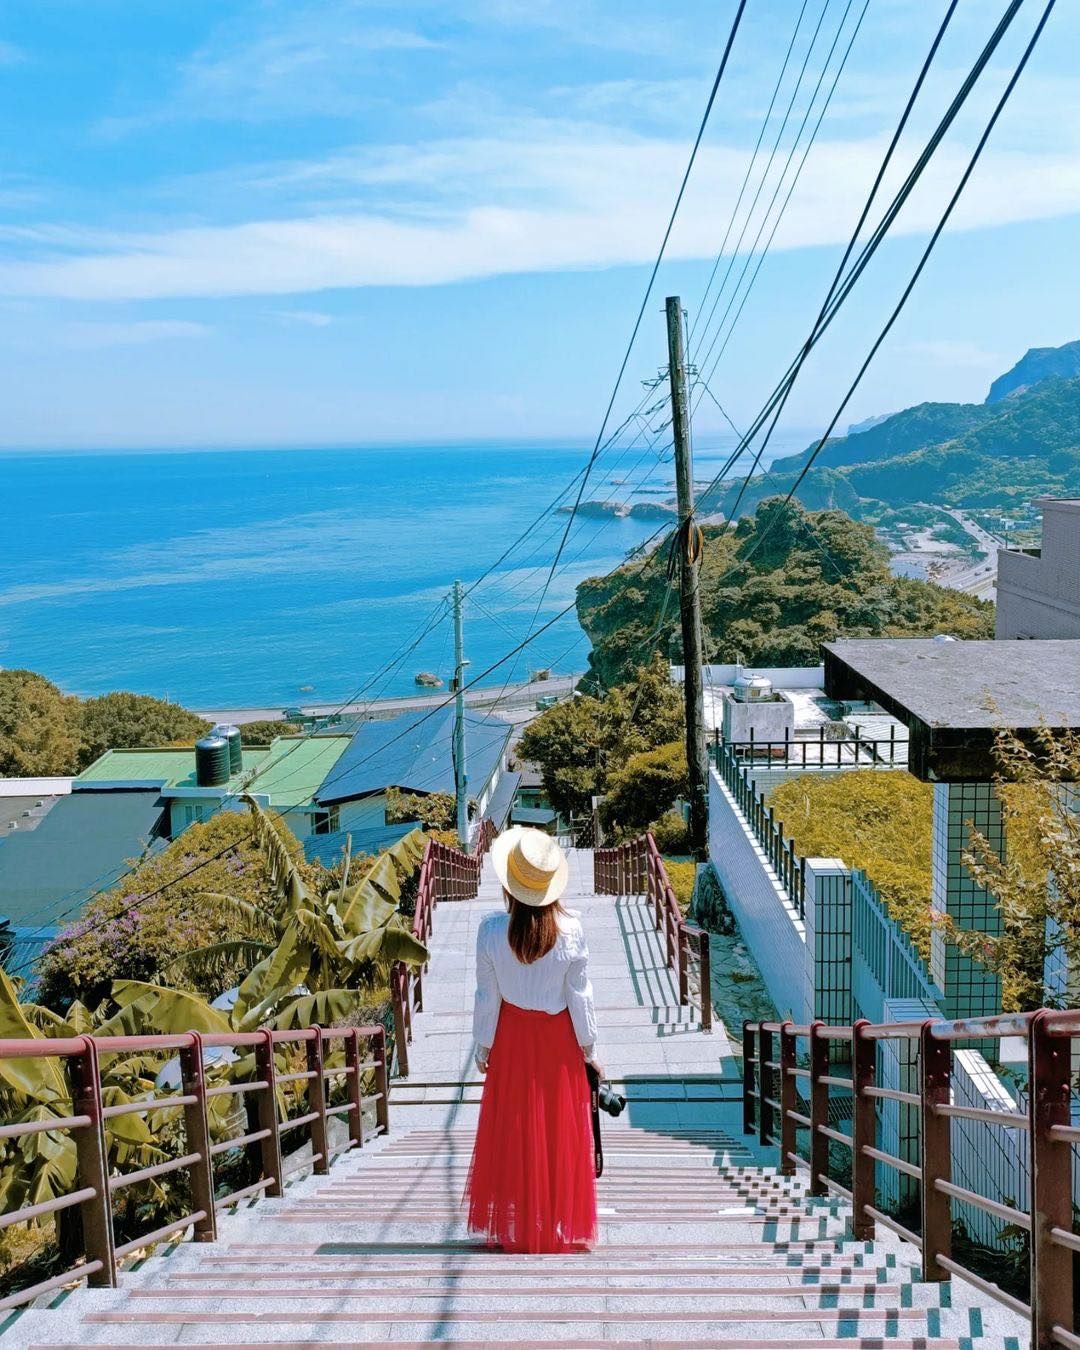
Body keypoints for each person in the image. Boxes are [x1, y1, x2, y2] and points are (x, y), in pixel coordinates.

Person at [464, 826, 600, 1253]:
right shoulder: (572, 930)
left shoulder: (490, 932)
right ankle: (556, 1223)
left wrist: (484, 1046)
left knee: (515, 1130)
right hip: (558, 1041)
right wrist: (590, 1049)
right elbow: (580, 996)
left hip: (512, 1040)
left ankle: (517, 1223)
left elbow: (488, 997)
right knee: (559, 1131)